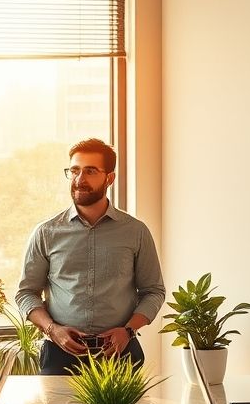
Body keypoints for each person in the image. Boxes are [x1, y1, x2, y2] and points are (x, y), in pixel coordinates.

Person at [15, 138, 166, 376]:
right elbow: (25, 294)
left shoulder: (136, 232)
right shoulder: (46, 232)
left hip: (120, 353)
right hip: (60, 356)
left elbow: (154, 291)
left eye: (90, 171)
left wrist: (127, 331)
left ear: (110, 178)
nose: (79, 179)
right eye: (74, 170)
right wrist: (52, 330)